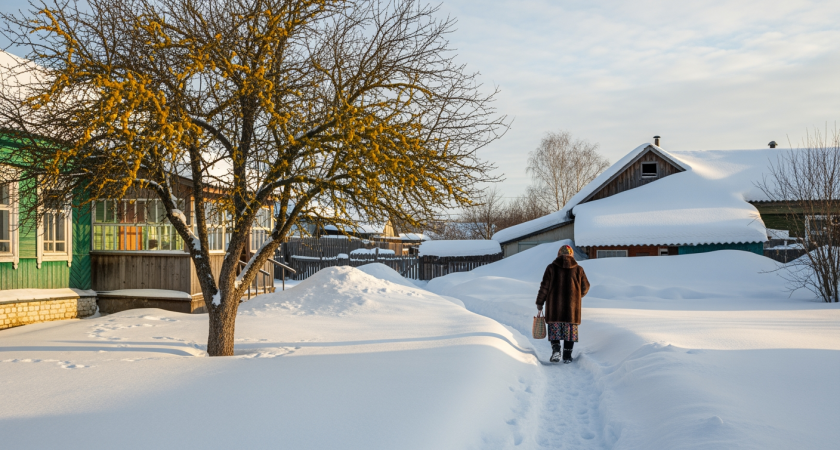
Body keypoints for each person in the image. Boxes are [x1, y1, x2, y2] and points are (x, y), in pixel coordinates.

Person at [536, 245, 590, 363]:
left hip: (554, 308)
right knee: (569, 332)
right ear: (572, 255)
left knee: (555, 330)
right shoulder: (578, 269)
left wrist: (540, 302)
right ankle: (567, 356)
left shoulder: (551, 268)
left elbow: (544, 287)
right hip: (572, 309)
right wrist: (576, 296)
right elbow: (586, 287)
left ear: (558, 254)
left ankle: (556, 350)